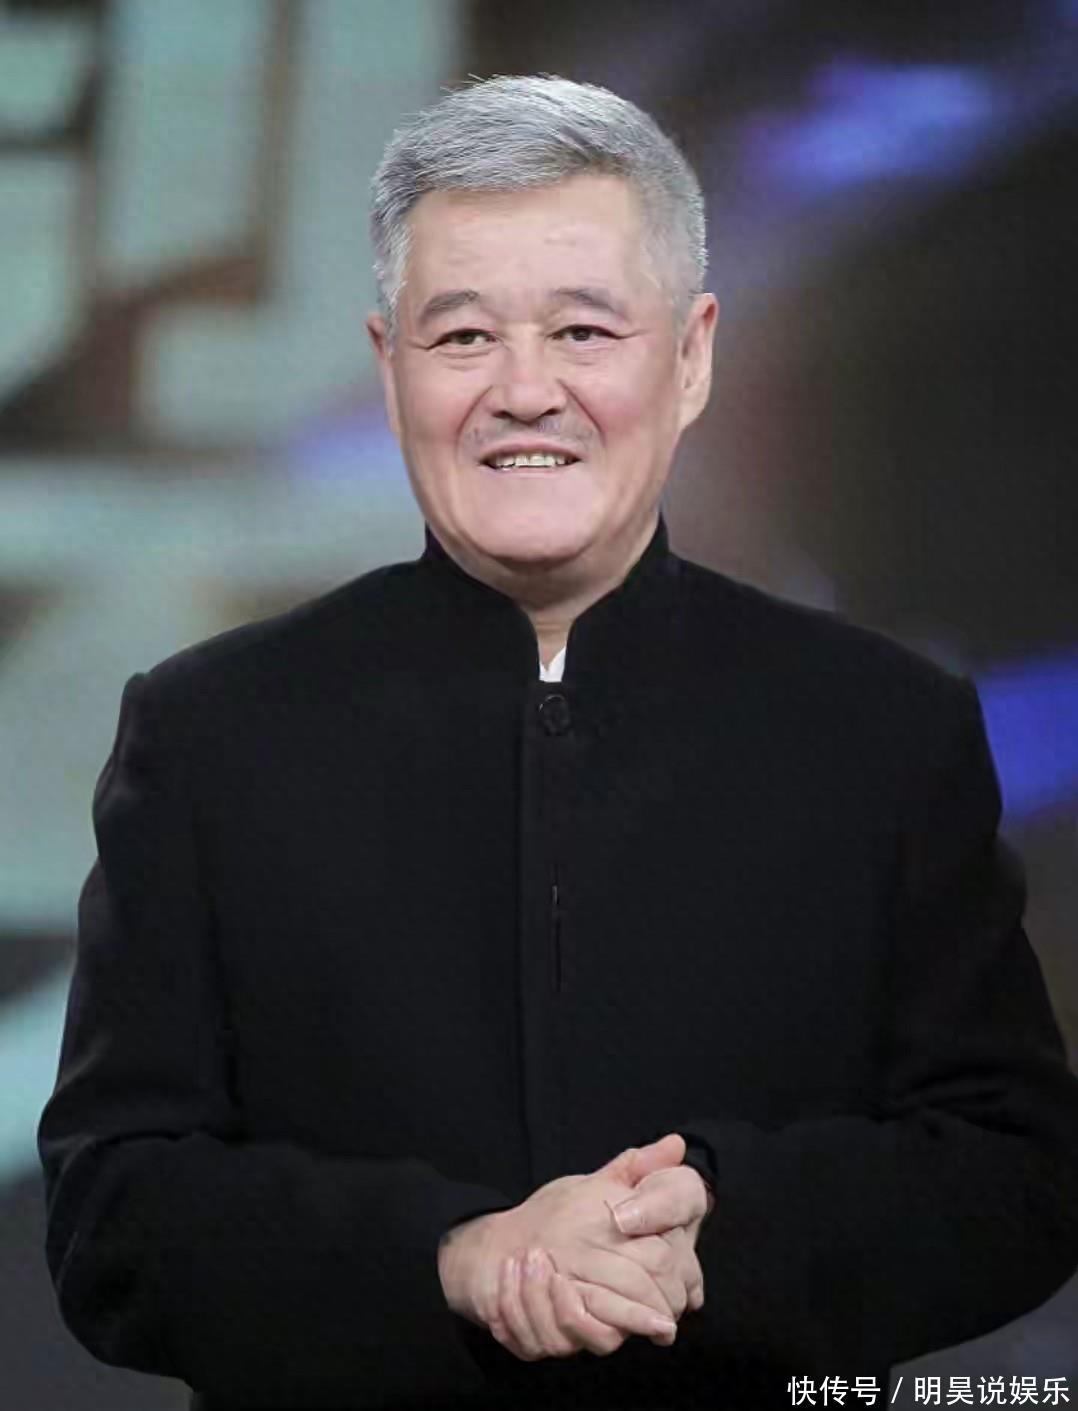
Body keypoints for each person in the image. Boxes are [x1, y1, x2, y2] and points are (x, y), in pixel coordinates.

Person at [38, 75, 1078, 1411]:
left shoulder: (882, 729)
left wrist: (717, 1227)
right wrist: (453, 1258)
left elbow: (1013, 1172)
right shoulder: (212, 734)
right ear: (388, 365)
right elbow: (114, 1210)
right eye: (463, 335)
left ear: (690, 356)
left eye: (584, 330)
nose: (524, 391)